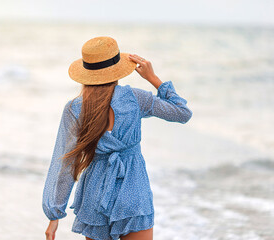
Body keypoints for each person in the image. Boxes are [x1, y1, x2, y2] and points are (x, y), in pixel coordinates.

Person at [42, 36, 193, 240]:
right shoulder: (135, 98)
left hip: (95, 195)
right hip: (133, 190)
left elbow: (66, 163)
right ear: (117, 69)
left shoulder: (74, 109)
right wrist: (153, 78)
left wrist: (55, 215)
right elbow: (182, 113)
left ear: (87, 73)